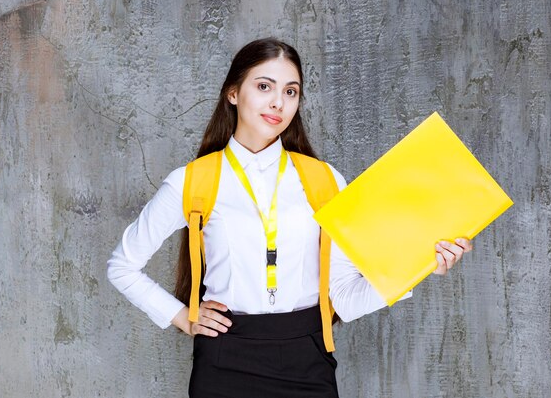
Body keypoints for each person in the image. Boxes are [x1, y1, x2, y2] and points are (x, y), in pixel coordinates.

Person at [107, 37, 472, 398]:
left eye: (291, 91)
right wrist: (182, 317)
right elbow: (122, 266)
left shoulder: (325, 180)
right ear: (233, 93)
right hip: (224, 361)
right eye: (264, 86)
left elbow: (343, 297)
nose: (278, 102)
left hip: (307, 360)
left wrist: (419, 266)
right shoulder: (192, 181)